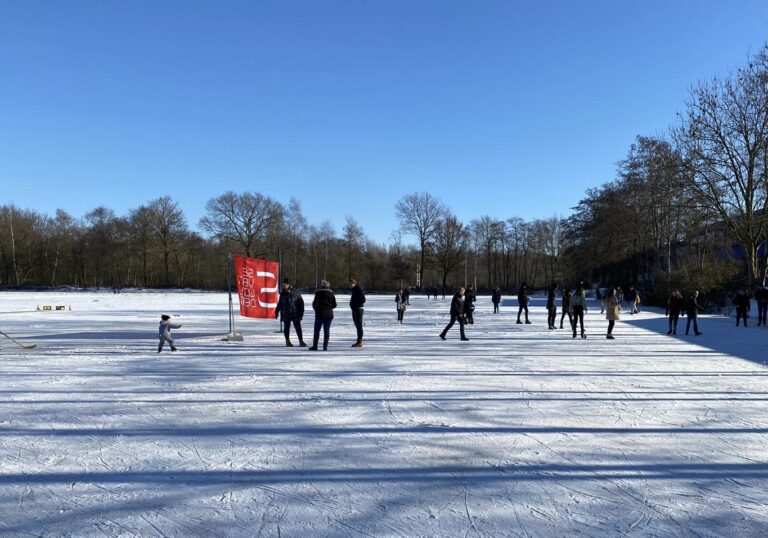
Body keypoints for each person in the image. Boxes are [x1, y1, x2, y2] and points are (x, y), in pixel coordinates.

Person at [275, 278, 306, 347]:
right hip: (286, 313)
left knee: (298, 327)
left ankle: (301, 341)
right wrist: (276, 311)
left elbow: (301, 303)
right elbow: (280, 303)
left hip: (295, 313)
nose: (284, 286)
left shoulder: (296, 292)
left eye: (285, 284)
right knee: (286, 327)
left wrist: (301, 312)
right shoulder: (283, 294)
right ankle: (287, 341)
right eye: (283, 284)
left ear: (289, 285)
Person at [310, 280, 337, 350]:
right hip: (329, 314)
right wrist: (329, 308)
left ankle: (315, 346)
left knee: (317, 330)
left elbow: (314, 304)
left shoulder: (318, 293)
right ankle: (325, 346)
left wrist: (316, 309)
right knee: (326, 330)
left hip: (320, 314)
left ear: (321, 285)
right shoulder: (331, 293)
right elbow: (335, 305)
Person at [349, 278, 366, 347]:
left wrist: (356, 304)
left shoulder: (358, 289)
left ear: (354, 283)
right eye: (349, 284)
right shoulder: (355, 289)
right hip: (355, 309)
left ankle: (359, 342)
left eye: (351, 284)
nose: (349, 286)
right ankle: (359, 341)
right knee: (357, 326)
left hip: (358, 310)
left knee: (359, 326)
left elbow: (363, 299)